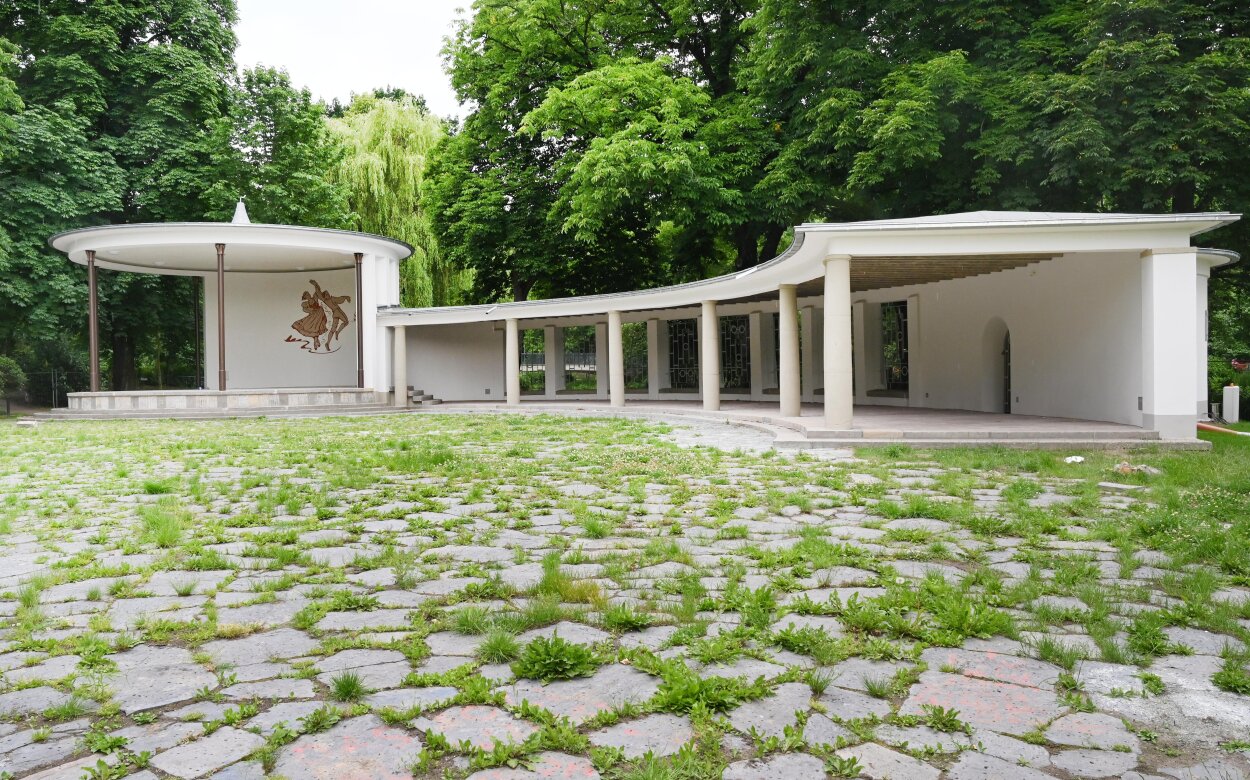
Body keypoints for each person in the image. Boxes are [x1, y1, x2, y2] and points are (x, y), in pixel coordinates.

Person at [291, 281, 329, 351]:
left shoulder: (314, 297)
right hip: (314, 315)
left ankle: (316, 342)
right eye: (306, 295)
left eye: (308, 294)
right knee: (314, 327)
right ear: (305, 297)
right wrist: (312, 310)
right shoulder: (305, 304)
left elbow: (318, 290)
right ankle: (316, 341)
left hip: (320, 313)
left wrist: (315, 284)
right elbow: (305, 310)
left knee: (316, 326)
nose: (308, 295)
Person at [319, 283, 352, 350]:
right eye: (327, 294)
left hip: (334, 314)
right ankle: (338, 332)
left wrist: (345, 297)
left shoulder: (325, 301)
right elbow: (339, 299)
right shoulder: (331, 299)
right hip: (338, 311)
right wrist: (346, 297)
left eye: (328, 293)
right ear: (325, 296)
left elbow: (339, 299)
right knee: (346, 322)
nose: (328, 294)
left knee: (332, 329)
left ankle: (327, 343)